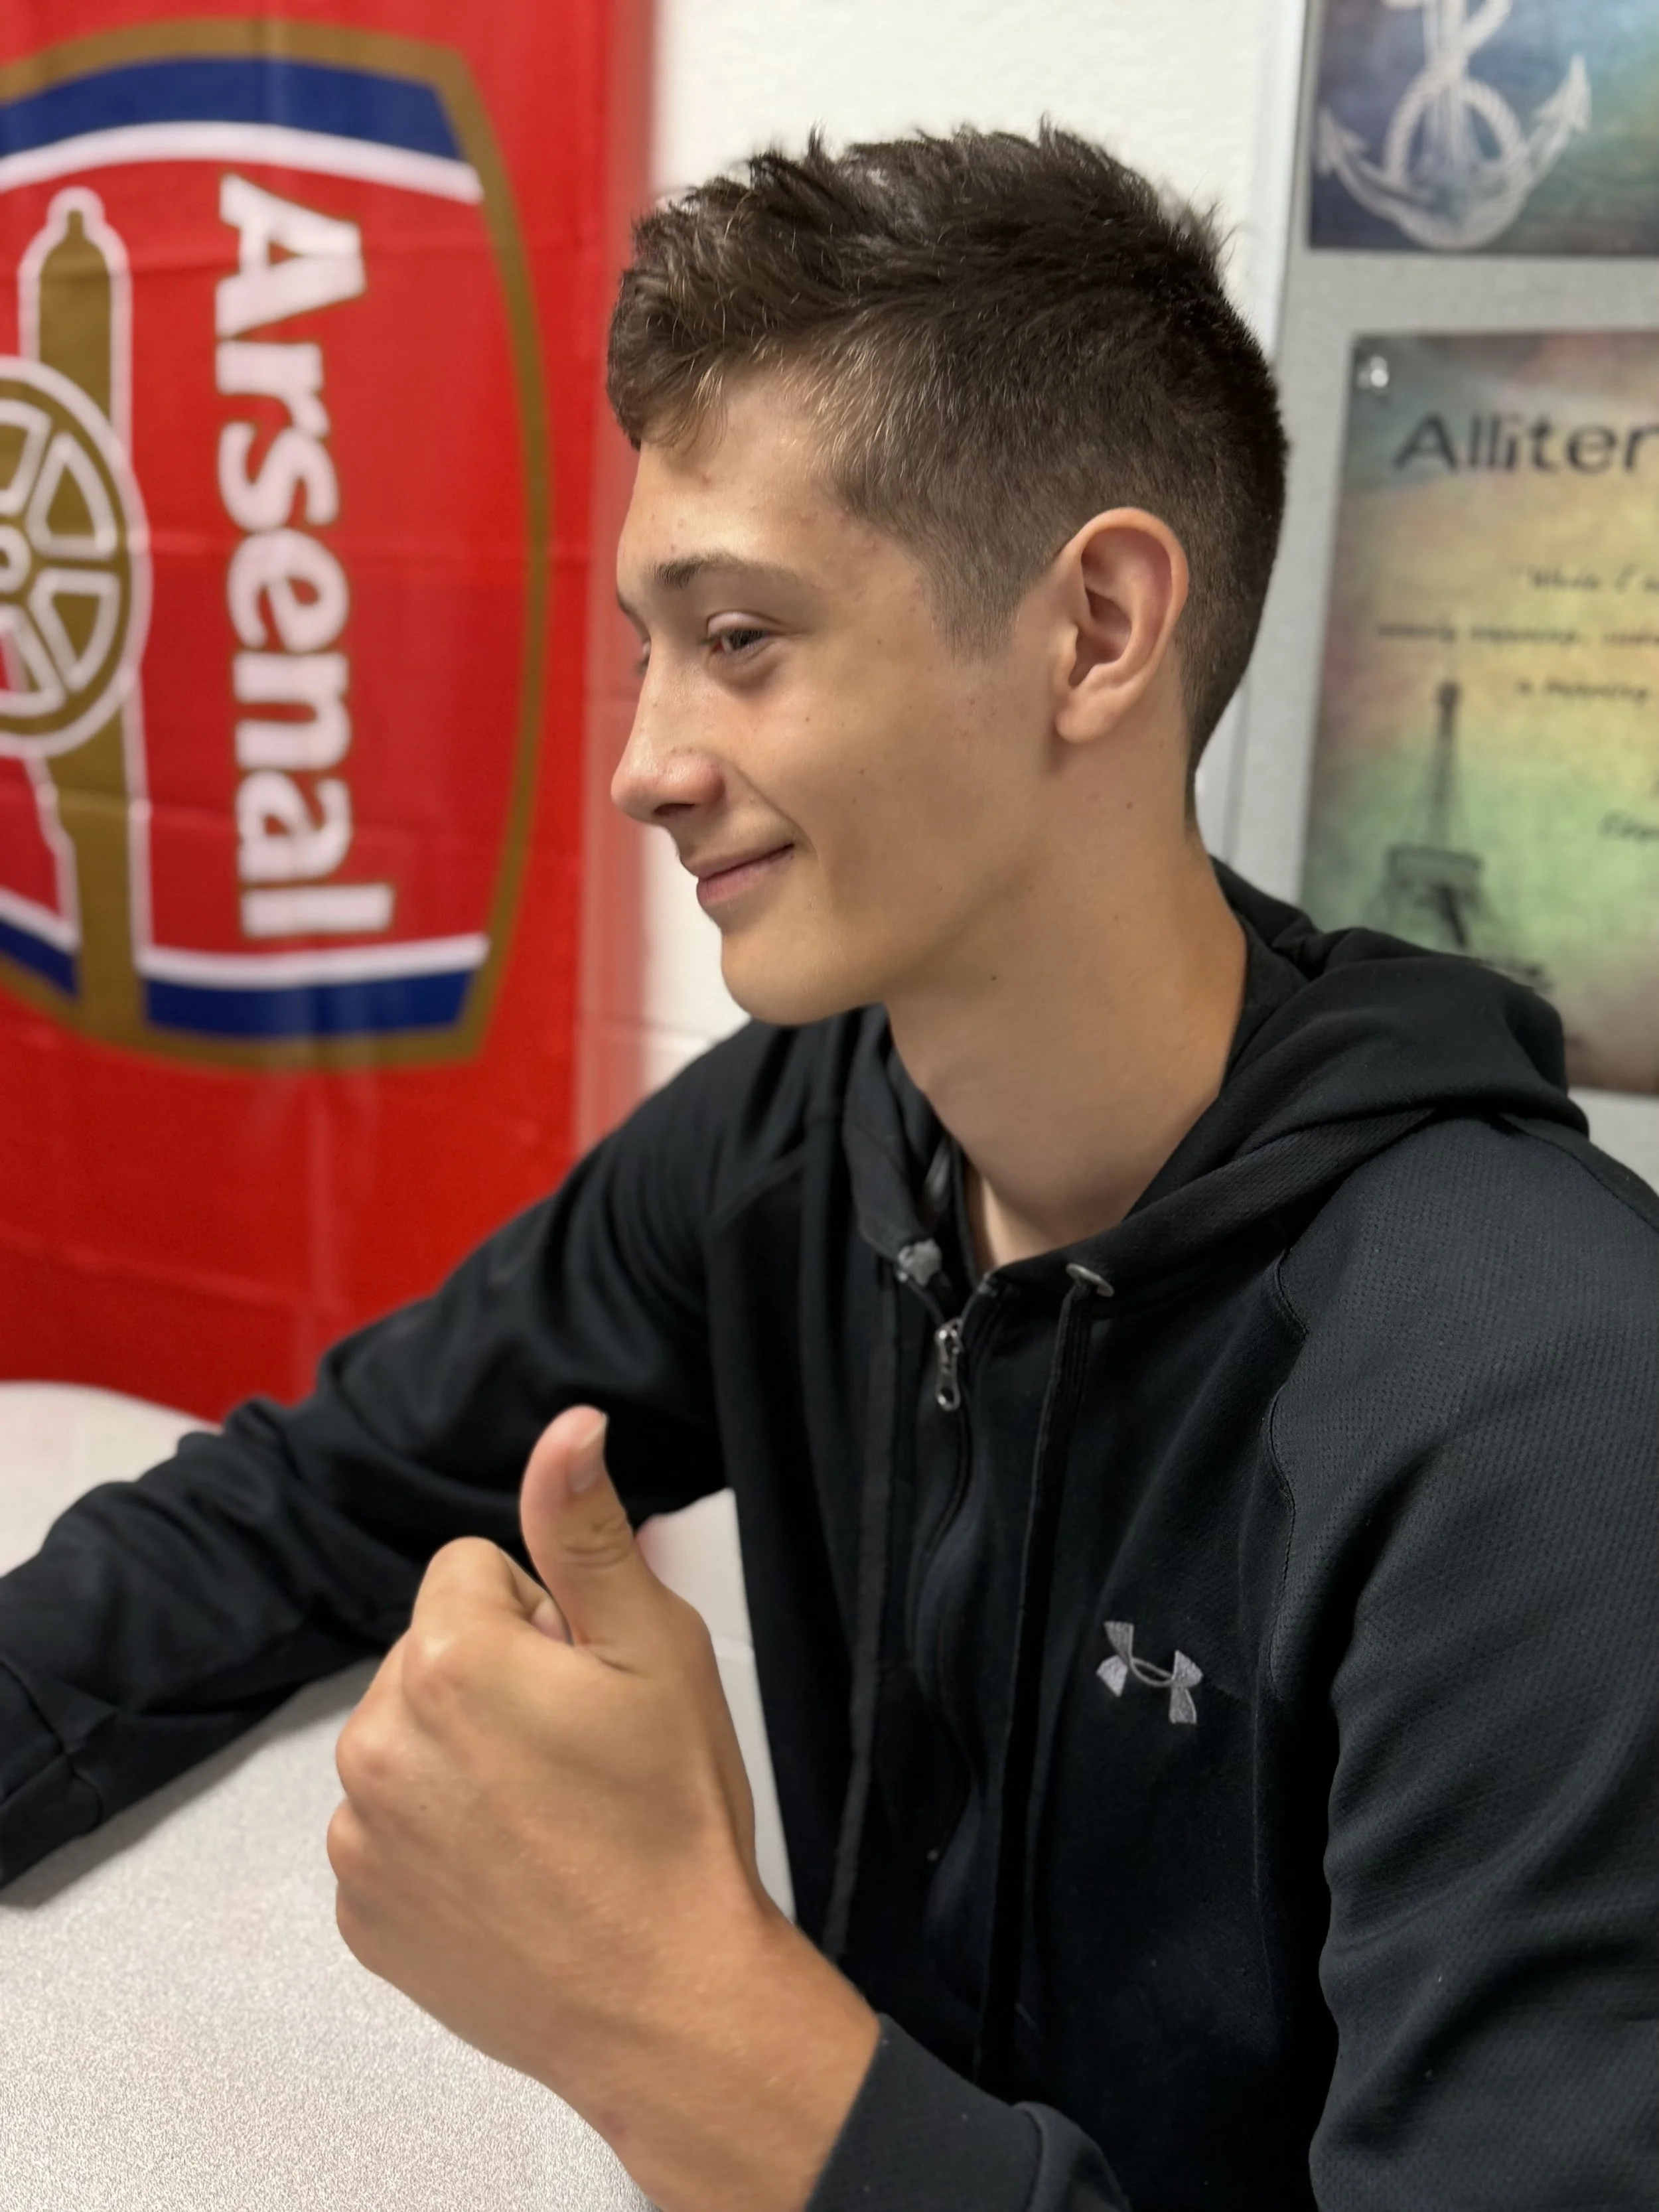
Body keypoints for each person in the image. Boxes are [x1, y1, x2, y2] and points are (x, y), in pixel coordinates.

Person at [1, 127, 1654, 2212]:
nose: (642, 762)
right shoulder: (805, 1136)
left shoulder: (1550, 1408)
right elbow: (306, 1504)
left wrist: (680, 2018)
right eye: (645, 642)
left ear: (1096, 630)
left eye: (743, 638)